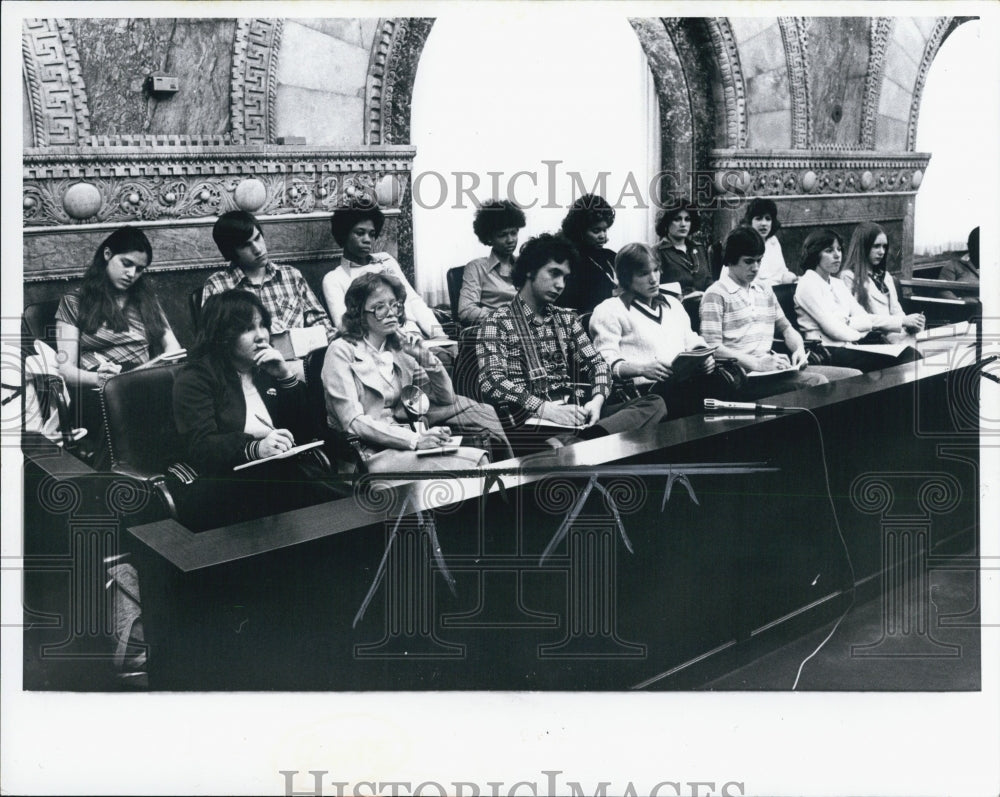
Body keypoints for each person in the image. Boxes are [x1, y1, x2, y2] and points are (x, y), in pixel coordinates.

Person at [476, 233, 666, 452]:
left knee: (654, 403)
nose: (560, 285)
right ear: (529, 270)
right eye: (554, 273)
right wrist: (544, 409)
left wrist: (596, 401)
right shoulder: (497, 321)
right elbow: (492, 381)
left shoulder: (566, 318)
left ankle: (586, 440)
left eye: (565, 278)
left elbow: (599, 366)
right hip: (532, 421)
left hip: (578, 416)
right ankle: (591, 443)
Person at [172, 290, 340, 530]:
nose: (261, 336)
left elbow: (311, 429)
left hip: (279, 475)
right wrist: (257, 448)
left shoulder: (264, 370)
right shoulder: (196, 378)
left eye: (263, 326)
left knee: (339, 502)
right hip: (226, 484)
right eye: (247, 329)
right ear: (222, 334)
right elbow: (201, 446)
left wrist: (285, 377)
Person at [322, 272, 512, 472]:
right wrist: (415, 439)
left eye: (394, 304)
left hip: (408, 441)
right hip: (369, 453)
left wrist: (426, 358)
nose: (391, 313)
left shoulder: (399, 347)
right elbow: (353, 422)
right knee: (476, 462)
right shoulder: (341, 351)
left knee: (481, 450)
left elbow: (446, 398)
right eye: (380, 307)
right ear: (359, 313)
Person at [55, 226, 183, 464]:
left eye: (140, 269)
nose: (132, 273)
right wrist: (99, 379)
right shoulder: (74, 302)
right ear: (107, 255)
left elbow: (173, 348)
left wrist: (156, 367)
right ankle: (122, 479)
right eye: (126, 263)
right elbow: (66, 369)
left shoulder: (146, 299)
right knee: (130, 407)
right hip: (96, 386)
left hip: (143, 379)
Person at [700, 227, 861, 400]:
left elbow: (786, 328)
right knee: (817, 382)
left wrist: (798, 349)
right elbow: (713, 347)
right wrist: (757, 363)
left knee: (854, 377)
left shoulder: (764, 289)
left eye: (759, 261)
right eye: (748, 262)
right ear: (730, 260)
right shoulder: (716, 294)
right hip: (741, 376)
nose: (755, 268)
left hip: (772, 369)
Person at [590, 243, 724, 418]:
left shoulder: (673, 304)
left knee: (723, 386)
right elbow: (604, 361)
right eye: (644, 273)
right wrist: (641, 369)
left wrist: (704, 358)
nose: (653, 279)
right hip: (645, 394)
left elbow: (691, 339)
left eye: (656, 270)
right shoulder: (609, 310)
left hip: (685, 384)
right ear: (626, 277)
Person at [794, 229, 920, 371]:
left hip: (849, 346)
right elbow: (833, 330)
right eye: (829, 250)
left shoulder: (837, 283)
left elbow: (865, 318)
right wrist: (856, 332)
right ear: (815, 254)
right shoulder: (807, 283)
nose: (837, 255)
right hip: (825, 350)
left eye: (839, 250)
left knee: (910, 354)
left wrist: (847, 323)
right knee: (903, 359)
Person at [202, 210, 335, 342]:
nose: (258, 249)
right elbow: (213, 341)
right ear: (230, 252)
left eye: (257, 238)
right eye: (246, 245)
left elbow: (321, 323)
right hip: (249, 361)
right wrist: (261, 331)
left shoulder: (291, 276)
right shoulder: (218, 286)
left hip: (300, 359)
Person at [323, 201, 444, 340]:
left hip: (414, 335)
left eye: (372, 234)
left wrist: (439, 336)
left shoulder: (386, 260)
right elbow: (345, 326)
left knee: (449, 356)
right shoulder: (334, 279)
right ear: (344, 235)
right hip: (378, 344)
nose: (367, 240)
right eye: (360, 233)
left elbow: (413, 301)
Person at [840, 222, 925, 344]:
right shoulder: (848, 277)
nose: (882, 252)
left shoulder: (886, 276)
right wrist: (902, 322)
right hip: (873, 340)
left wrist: (912, 323)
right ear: (863, 247)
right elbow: (859, 320)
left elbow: (897, 312)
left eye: (884, 246)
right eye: (876, 246)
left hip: (897, 336)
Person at [457, 199, 526, 326]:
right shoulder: (476, 268)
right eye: (502, 235)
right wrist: (506, 319)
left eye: (514, 233)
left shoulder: (525, 265)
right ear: (489, 238)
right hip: (493, 332)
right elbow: (466, 311)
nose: (510, 240)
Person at [556, 194, 619, 315]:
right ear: (580, 231)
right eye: (596, 231)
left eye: (605, 230)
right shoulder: (570, 261)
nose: (602, 236)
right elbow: (572, 301)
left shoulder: (611, 256)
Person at [654, 199, 712, 295]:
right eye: (677, 219)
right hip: (675, 307)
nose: (683, 224)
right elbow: (657, 290)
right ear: (666, 222)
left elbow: (708, 281)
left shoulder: (699, 248)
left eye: (687, 219)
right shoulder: (657, 252)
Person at [740, 198, 797, 287]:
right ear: (750, 222)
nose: (764, 223)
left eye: (768, 219)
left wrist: (791, 277)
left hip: (776, 291)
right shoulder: (742, 243)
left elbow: (782, 272)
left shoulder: (773, 241)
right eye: (758, 219)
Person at [938, 226, 980, 301]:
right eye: (975, 245)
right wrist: (962, 303)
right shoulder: (952, 266)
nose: (979, 249)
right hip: (966, 309)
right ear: (969, 246)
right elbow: (943, 291)